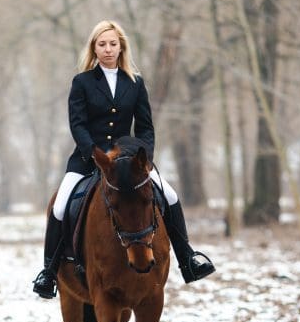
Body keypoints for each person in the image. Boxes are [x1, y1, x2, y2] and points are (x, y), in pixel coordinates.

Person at [32, 20, 216, 299]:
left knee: (172, 196)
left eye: (113, 44)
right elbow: (77, 124)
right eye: (102, 44)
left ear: (121, 47)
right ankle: (49, 272)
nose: (107, 49)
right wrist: (93, 153)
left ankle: (187, 258)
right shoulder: (82, 82)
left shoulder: (135, 82)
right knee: (60, 206)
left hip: (129, 161)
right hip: (87, 159)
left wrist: (143, 158)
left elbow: (145, 126)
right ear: (94, 48)